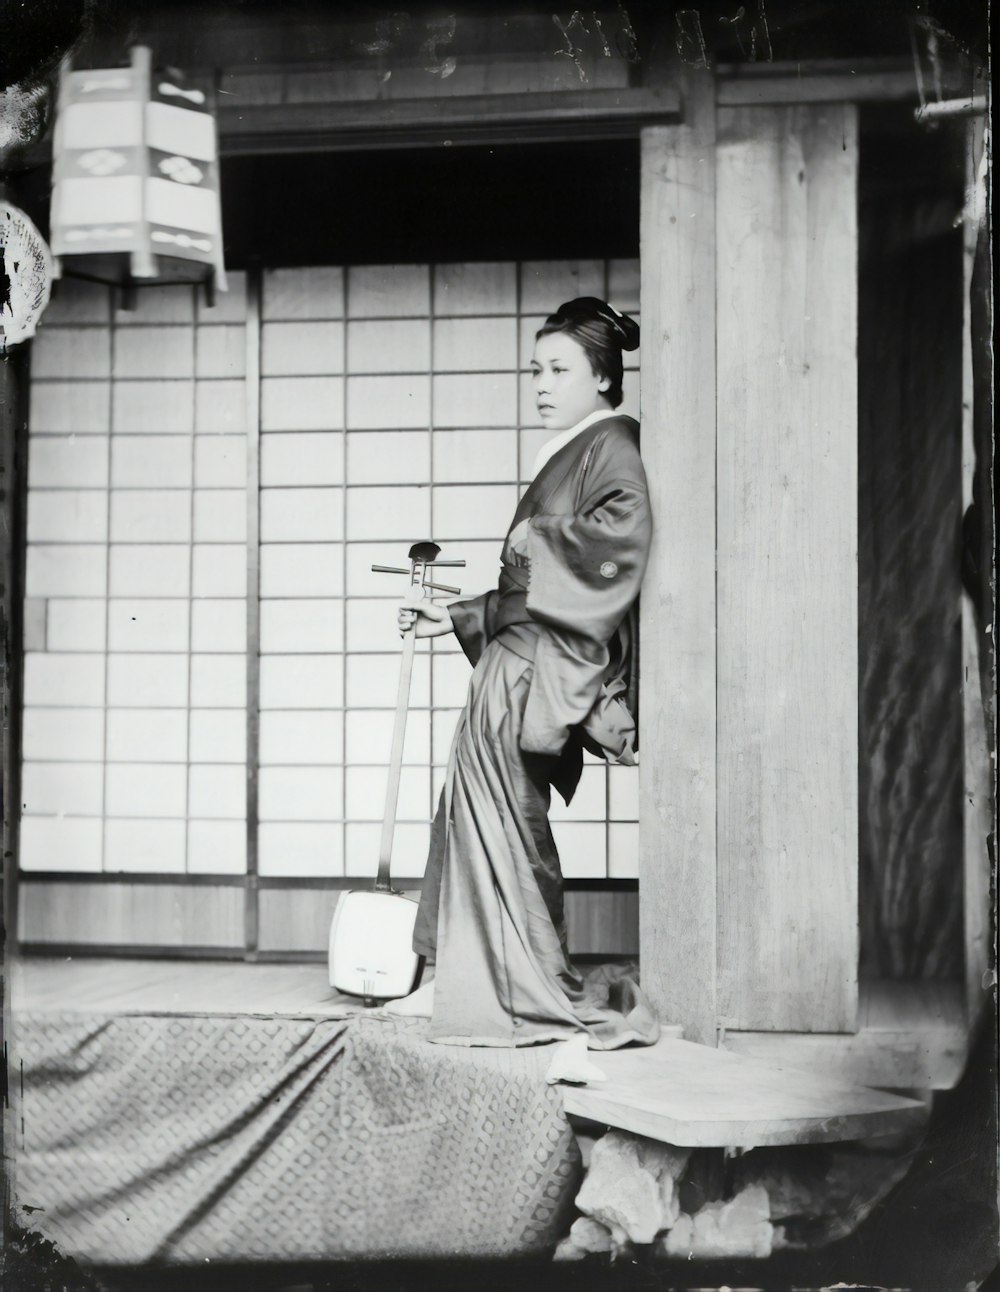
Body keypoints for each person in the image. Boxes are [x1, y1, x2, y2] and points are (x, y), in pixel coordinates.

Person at [395, 297, 658, 1049]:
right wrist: (455, 612)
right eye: (534, 369)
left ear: (605, 376)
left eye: (559, 369)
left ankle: (520, 987)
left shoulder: (614, 447)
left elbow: (622, 543)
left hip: (530, 670)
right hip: (510, 663)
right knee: (473, 817)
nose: (541, 384)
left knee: (508, 824)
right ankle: (453, 977)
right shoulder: (578, 446)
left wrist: (533, 538)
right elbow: (524, 588)